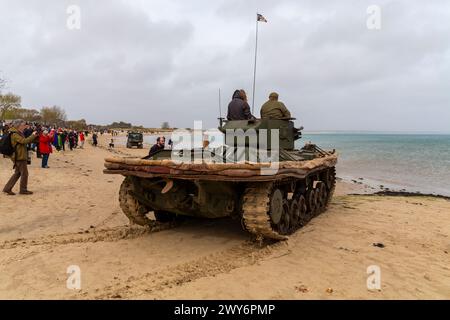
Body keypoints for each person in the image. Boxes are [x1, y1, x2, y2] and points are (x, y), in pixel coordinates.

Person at [3, 119, 37, 195]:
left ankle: (7, 188)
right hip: (19, 156)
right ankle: (23, 190)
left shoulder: (16, 132)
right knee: (24, 173)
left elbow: (23, 141)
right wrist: (33, 135)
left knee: (17, 173)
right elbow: (23, 141)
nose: (25, 126)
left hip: (19, 155)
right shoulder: (15, 133)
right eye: (23, 125)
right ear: (19, 125)